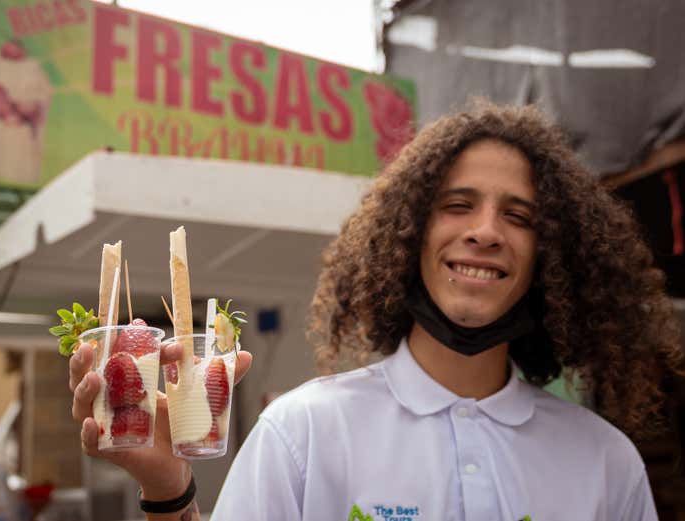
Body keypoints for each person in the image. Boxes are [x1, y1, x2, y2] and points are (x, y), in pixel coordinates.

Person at [69, 100, 684, 520]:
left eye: (519, 216)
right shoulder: (304, 433)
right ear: (408, 234)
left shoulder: (607, 463)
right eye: (458, 205)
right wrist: (166, 490)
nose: (487, 231)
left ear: (552, 257)